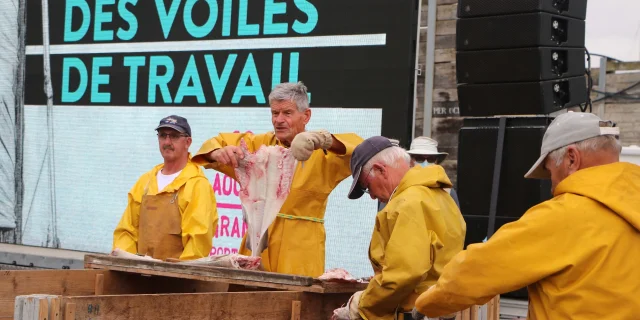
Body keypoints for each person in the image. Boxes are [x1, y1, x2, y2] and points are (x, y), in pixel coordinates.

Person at [413, 112, 640, 319]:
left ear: (571, 159)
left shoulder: (563, 216)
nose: (552, 186)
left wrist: (428, 303)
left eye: (551, 170)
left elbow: (480, 268)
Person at [192, 82, 363, 277]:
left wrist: (326, 139)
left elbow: (361, 151)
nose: (279, 120)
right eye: (275, 113)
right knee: (246, 300)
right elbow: (214, 144)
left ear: (306, 116)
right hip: (257, 245)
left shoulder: (322, 151)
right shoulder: (258, 144)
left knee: (293, 302)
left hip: (299, 251)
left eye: (287, 113)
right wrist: (217, 153)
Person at [333, 136, 466, 320]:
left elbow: (403, 274)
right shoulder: (440, 195)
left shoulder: (407, 203)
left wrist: (359, 306)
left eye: (367, 187)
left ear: (380, 170)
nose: (371, 196)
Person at [113, 115, 219, 261]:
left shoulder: (197, 185)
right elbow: (126, 231)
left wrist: (177, 276)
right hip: (139, 276)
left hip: (176, 280)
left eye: (174, 136)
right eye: (163, 136)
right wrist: (127, 265)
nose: (167, 142)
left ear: (188, 142)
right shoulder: (146, 181)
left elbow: (197, 244)